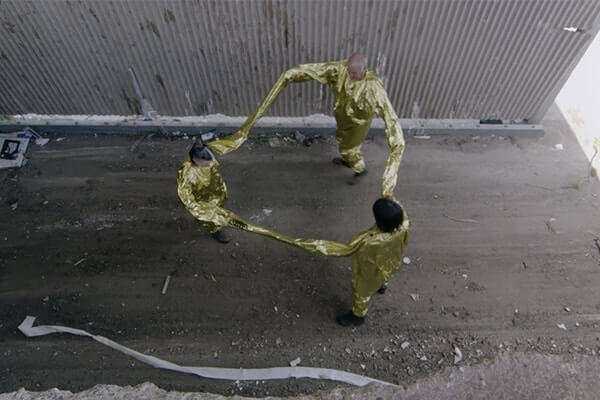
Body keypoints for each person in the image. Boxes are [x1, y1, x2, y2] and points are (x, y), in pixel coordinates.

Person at [208, 52, 405, 198]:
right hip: (342, 118)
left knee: (350, 148)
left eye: (354, 73)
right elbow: (314, 70)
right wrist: (292, 73)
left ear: (364, 70)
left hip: (358, 124)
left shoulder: (374, 88)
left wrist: (396, 142)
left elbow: (391, 117)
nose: (350, 75)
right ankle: (349, 158)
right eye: (349, 71)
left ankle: (359, 168)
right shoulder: (340, 69)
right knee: (342, 141)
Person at [336, 198, 408, 326]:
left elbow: (346, 250)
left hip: (371, 271)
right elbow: (389, 192)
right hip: (392, 261)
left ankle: (358, 315)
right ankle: (382, 286)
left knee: (362, 290)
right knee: (385, 273)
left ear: (379, 222)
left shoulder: (369, 241)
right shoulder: (404, 224)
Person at [177, 141, 230, 243]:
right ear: (196, 161)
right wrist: (195, 208)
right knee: (209, 217)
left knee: (218, 207)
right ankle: (215, 230)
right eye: (206, 164)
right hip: (202, 199)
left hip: (216, 192)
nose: (210, 164)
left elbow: (215, 170)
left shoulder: (209, 159)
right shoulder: (187, 173)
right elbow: (185, 194)